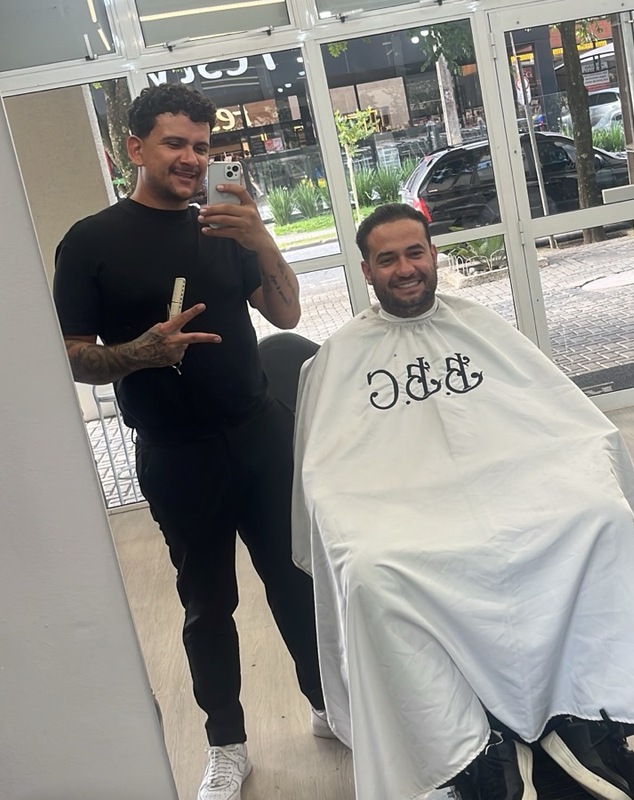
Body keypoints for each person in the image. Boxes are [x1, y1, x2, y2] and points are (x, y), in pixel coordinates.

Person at [292, 204, 634, 800]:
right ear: (367, 270)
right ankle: (459, 750)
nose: (405, 269)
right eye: (388, 259)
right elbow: (325, 477)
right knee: (372, 575)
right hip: (398, 512)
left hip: (509, 493)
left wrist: (579, 470)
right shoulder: (339, 358)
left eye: (415, 253)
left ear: (433, 255)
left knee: (603, 520)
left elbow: (565, 422)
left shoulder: (481, 327)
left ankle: (594, 717)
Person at [52, 83, 328, 800]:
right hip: (177, 453)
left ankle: (328, 706)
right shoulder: (90, 242)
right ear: (134, 148)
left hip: (261, 434)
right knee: (207, 606)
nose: (192, 159)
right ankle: (226, 746)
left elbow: (286, 312)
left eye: (202, 147)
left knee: (296, 582)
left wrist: (261, 238)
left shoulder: (222, 227)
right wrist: (137, 353)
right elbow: (71, 354)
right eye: (175, 143)